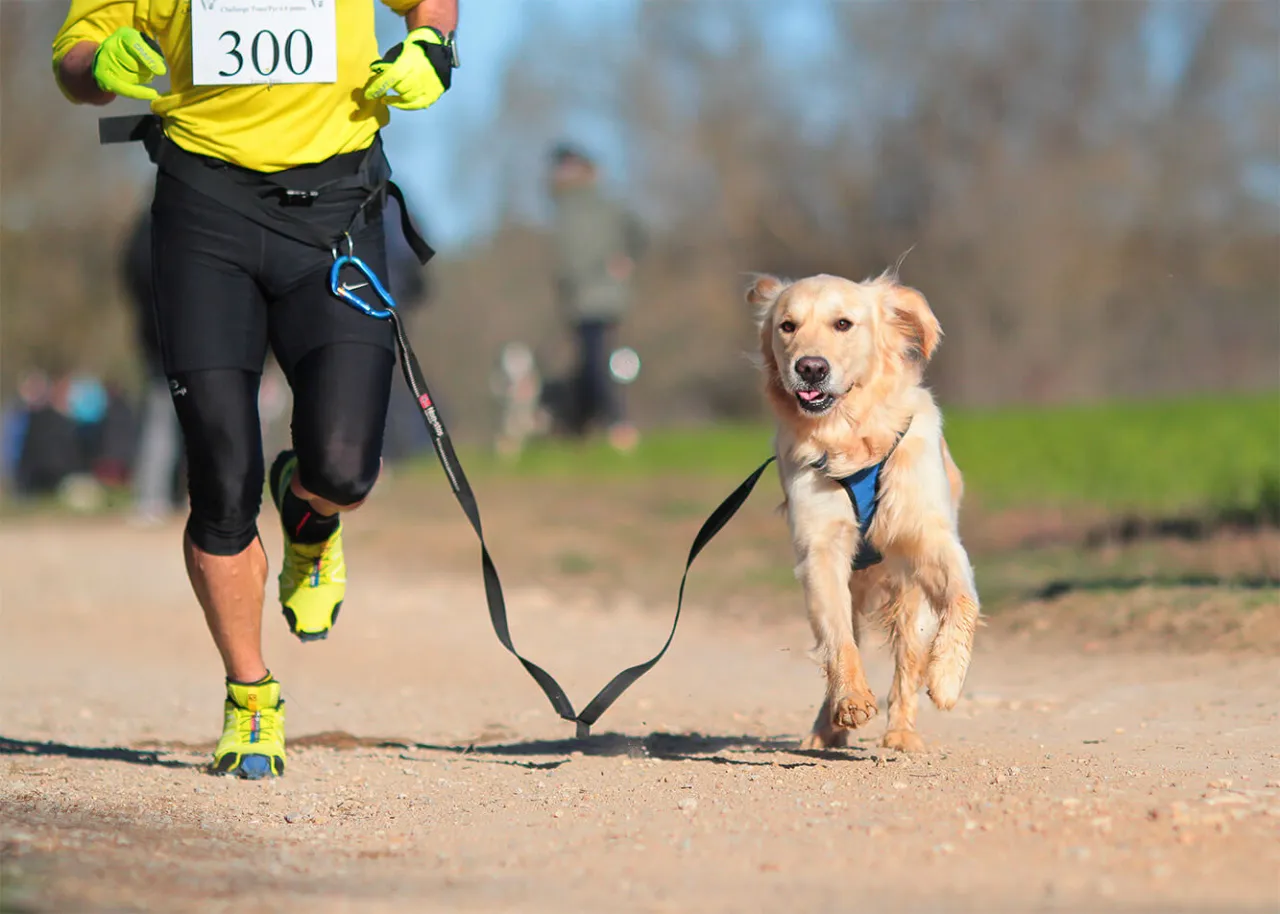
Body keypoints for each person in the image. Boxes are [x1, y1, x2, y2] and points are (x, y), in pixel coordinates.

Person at [53, 0, 458, 779]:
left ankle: (309, 511)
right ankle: (250, 692)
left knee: (345, 468)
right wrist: (97, 65)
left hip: (339, 207)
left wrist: (432, 45)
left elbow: (431, 5)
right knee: (221, 473)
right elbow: (74, 55)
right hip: (204, 207)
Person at [547, 143, 645, 452]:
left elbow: (637, 233)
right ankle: (579, 425)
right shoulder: (562, 207)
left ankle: (617, 423)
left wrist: (626, 258)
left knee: (597, 361)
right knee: (587, 363)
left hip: (602, 295)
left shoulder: (602, 205)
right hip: (577, 298)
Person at [123, 208, 184, 524]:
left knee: (165, 420)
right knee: (163, 419)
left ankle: (161, 496)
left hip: (161, 338)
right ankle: (152, 497)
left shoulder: (147, 228)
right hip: (165, 341)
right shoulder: (157, 227)